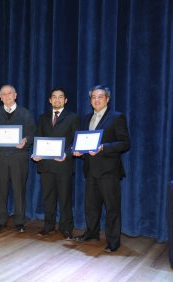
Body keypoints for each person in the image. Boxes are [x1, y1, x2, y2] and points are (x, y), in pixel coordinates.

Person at [73, 85, 130, 253]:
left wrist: (104, 147)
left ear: (107, 99)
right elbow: (83, 142)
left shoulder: (116, 117)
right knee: (91, 206)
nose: (96, 100)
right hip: (90, 169)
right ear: (90, 100)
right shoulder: (86, 118)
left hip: (109, 171)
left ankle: (113, 242)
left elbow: (125, 143)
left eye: (100, 97)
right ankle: (91, 233)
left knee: (112, 207)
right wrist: (78, 151)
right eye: (93, 97)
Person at [32, 88, 80, 239]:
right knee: (48, 197)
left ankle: (66, 228)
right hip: (46, 165)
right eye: (54, 97)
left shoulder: (73, 117)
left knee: (65, 198)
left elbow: (76, 142)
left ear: (65, 100)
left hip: (63, 164)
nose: (57, 100)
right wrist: (35, 153)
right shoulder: (42, 117)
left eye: (60, 97)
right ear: (50, 100)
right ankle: (49, 225)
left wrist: (67, 154)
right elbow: (37, 138)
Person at [0, 85, 36, 232]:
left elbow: (32, 133)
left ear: (16, 95)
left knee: (19, 189)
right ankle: (1, 220)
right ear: (0, 97)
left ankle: (20, 221)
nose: (7, 96)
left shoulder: (25, 113)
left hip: (18, 158)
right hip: (0, 158)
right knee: (1, 190)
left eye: (10, 93)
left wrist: (25, 140)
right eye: (4, 94)